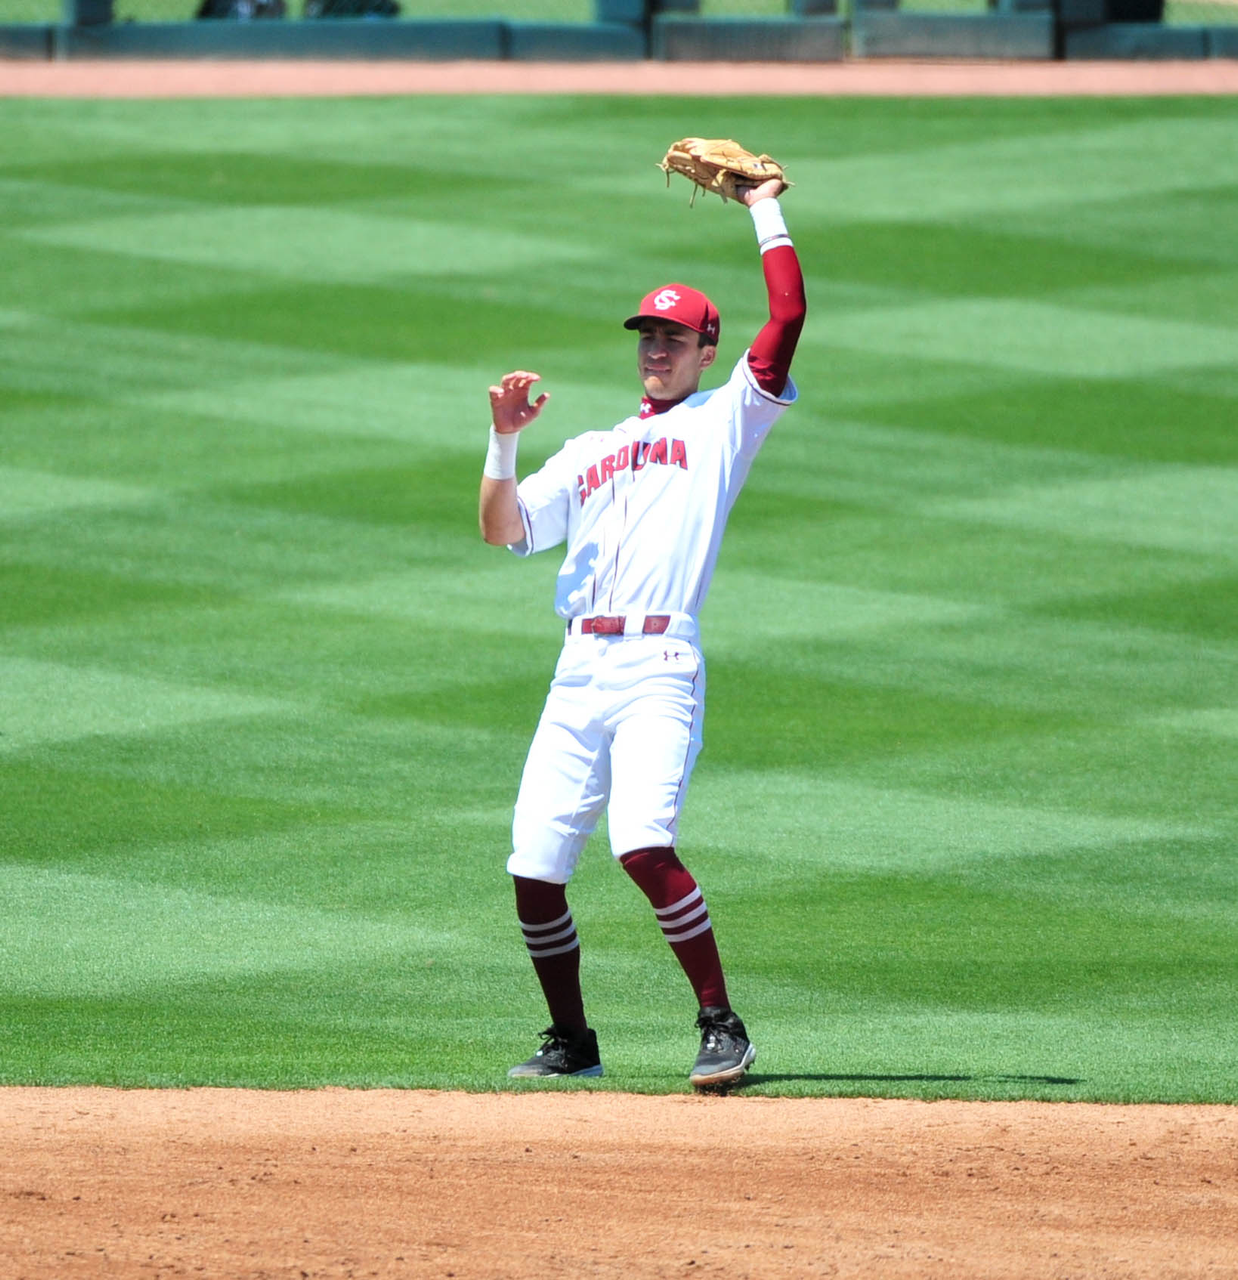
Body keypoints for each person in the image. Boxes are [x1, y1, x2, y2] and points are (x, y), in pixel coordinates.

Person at [478, 175, 805, 1089]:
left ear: (706, 347)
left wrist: (764, 207)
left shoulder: (724, 421)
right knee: (533, 866)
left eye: (672, 336)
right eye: (646, 336)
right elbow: (504, 530)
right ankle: (573, 1042)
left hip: (660, 662)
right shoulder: (588, 446)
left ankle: (721, 1024)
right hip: (578, 667)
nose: (655, 349)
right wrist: (503, 441)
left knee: (640, 845)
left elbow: (785, 320)